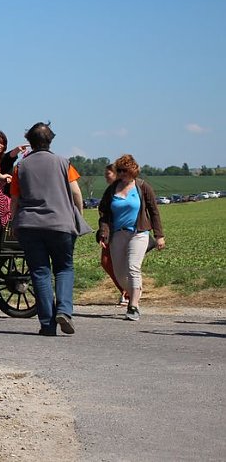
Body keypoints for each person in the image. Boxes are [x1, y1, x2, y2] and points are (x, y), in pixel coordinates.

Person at [9, 122, 84, 336]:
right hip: (61, 224)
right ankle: (64, 311)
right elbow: (76, 193)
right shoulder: (63, 162)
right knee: (64, 268)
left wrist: (13, 222)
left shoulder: (20, 167)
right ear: (50, 140)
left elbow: (14, 199)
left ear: (29, 141)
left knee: (40, 273)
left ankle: (47, 325)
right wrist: (78, 215)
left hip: (30, 225)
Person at [97, 154, 165, 321]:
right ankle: (135, 290)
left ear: (132, 171)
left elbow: (154, 212)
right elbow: (104, 213)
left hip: (138, 233)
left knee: (133, 267)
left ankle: (133, 306)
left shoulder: (142, 187)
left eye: (124, 171)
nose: (120, 174)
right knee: (120, 273)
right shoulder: (112, 189)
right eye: (118, 170)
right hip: (117, 235)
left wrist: (159, 236)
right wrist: (103, 234)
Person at [98, 164, 128, 304]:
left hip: (121, 232)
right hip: (110, 233)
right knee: (106, 262)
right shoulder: (109, 191)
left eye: (107, 174)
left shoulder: (122, 191)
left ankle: (127, 292)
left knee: (117, 263)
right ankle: (125, 290)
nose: (105, 178)